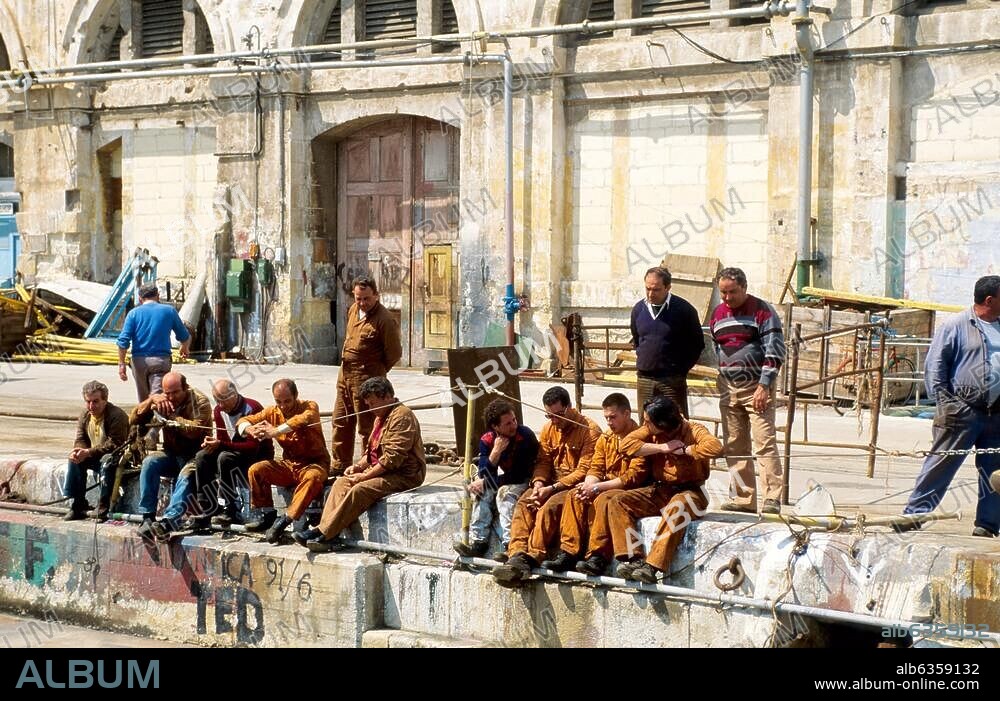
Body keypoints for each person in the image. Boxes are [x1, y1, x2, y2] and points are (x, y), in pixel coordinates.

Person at [576, 396, 722, 583]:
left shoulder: (693, 429)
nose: (644, 424)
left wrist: (686, 450)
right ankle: (634, 558)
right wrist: (663, 448)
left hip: (691, 492)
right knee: (618, 501)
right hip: (661, 490)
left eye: (648, 422)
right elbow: (626, 445)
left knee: (677, 507)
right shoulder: (650, 430)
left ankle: (652, 566)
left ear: (662, 424)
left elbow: (716, 447)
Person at [902, 275, 1000, 537]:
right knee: (941, 464)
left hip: (996, 414)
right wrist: (947, 404)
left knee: (995, 472)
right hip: (963, 412)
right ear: (990, 300)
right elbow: (935, 367)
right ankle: (914, 515)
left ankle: (987, 525)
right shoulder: (956, 325)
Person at [298, 377, 425, 552]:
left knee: (360, 489)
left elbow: (392, 459)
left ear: (387, 396)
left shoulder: (402, 416)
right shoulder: (380, 417)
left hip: (404, 475)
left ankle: (323, 532)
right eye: (369, 404)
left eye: (373, 403)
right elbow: (371, 452)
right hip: (383, 470)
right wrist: (358, 467)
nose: (371, 409)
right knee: (341, 482)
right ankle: (327, 532)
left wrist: (364, 476)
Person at [492, 386, 601, 587]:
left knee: (549, 507)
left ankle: (532, 555)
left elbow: (585, 469)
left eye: (558, 415)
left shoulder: (589, 430)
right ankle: (516, 553)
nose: (554, 421)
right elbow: (543, 461)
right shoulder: (549, 428)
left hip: (571, 486)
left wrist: (552, 489)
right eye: (549, 416)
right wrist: (539, 484)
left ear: (569, 407)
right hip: (550, 483)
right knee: (524, 502)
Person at [145, 380, 274, 541]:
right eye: (217, 400)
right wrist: (212, 445)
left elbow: (252, 446)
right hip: (232, 452)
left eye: (223, 400)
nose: (220, 404)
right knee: (202, 456)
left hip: (255, 456)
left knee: (224, 457)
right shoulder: (219, 411)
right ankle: (208, 505)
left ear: (234, 395)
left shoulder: (252, 408)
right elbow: (222, 439)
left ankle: (230, 508)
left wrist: (221, 445)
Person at [710, 267, 786, 516]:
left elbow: (775, 350)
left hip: (756, 386)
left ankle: (772, 497)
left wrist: (764, 385)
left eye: (732, 292)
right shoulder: (718, 314)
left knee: (764, 442)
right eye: (723, 292)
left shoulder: (762, 312)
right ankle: (744, 497)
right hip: (728, 387)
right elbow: (716, 347)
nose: (727, 298)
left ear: (744, 287)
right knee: (734, 444)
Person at [540, 393, 641, 572]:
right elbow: (596, 467)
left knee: (604, 500)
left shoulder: (639, 438)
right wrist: (588, 486)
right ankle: (569, 553)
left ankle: (598, 556)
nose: (609, 422)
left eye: (613, 417)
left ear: (627, 414)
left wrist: (596, 487)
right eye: (606, 418)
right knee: (575, 495)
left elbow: (631, 477)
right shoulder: (607, 437)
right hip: (604, 485)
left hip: (627, 488)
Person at [237, 379, 330, 544]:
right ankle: (267, 514)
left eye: (287, 401)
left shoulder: (310, 406)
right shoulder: (272, 412)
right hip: (289, 464)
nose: (283, 406)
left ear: (296, 396)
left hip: (314, 463)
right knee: (256, 470)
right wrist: (249, 429)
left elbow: (302, 420)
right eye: (278, 402)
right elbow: (244, 421)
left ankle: (285, 520)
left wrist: (275, 431)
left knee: (313, 479)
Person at [331, 276, 402, 474]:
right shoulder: (354, 311)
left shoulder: (384, 319)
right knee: (341, 421)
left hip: (367, 378)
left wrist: (376, 371)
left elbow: (394, 353)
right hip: (345, 377)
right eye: (358, 298)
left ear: (376, 296)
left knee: (367, 427)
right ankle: (339, 464)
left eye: (366, 299)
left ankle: (368, 465)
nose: (362, 303)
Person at [453, 398, 540, 558]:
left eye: (514, 420)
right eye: (507, 423)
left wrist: (487, 482)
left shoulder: (525, 436)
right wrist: (495, 453)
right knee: (482, 494)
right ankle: (479, 542)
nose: (513, 425)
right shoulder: (487, 440)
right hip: (504, 479)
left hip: (525, 480)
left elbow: (519, 474)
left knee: (504, 496)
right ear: (495, 426)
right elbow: (484, 473)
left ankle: (510, 545)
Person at [133, 372, 213, 539]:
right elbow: (133, 419)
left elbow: (194, 431)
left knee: (185, 477)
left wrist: (171, 416)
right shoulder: (161, 400)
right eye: (167, 393)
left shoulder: (200, 402)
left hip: (195, 454)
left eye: (175, 393)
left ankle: (169, 521)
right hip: (171, 452)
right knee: (150, 463)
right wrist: (151, 400)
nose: (170, 397)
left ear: (185, 388)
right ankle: (147, 516)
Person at [630, 266, 704, 418]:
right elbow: (637, 339)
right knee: (646, 426)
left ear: (668, 287)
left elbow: (697, 343)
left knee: (675, 423)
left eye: (656, 289)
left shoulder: (684, 310)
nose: (651, 294)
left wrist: (680, 369)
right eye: (647, 289)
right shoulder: (638, 309)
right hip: (645, 380)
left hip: (672, 381)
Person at [62, 380, 130, 521]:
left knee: (107, 462)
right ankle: (78, 503)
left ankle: (103, 506)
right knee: (74, 460)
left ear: (105, 400)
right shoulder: (85, 415)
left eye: (96, 401)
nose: (91, 406)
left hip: (117, 458)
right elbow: (80, 438)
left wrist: (88, 452)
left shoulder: (117, 416)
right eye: (88, 402)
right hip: (94, 454)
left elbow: (115, 445)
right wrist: (79, 451)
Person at [117, 282, 191, 402]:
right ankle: (158, 419)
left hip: (138, 362)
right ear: (157, 295)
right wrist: (184, 348)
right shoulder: (169, 311)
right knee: (159, 399)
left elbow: (123, 342)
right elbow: (184, 335)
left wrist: (121, 364)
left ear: (140, 299)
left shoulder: (133, 314)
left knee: (144, 400)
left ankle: (144, 419)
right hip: (160, 362)